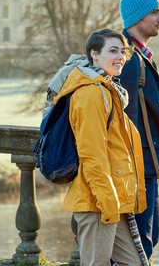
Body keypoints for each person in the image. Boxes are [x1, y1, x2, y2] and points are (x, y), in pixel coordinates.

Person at [55, 28, 147, 266]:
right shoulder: (91, 94)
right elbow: (92, 155)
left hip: (111, 198)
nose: (121, 57)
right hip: (97, 201)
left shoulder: (108, 90)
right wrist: (108, 204)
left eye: (123, 51)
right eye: (113, 51)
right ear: (94, 54)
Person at [117, 0, 159, 263]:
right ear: (137, 17)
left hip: (148, 165)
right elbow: (125, 121)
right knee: (135, 250)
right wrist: (134, 170)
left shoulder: (139, 56)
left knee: (148, 241)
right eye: (155, 12)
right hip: (137, 169)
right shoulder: (127, 61)